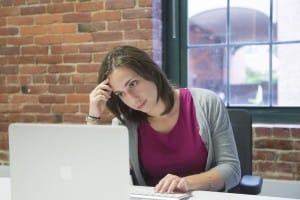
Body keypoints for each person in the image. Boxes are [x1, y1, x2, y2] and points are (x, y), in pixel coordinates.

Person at [87, 45, 241, 193]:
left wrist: (186, 183)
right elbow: (101, 175)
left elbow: (231, 170)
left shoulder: (207, 103)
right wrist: (94, 116)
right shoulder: (124, 124)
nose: (132, 98)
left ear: (151, 72)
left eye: (133, 84)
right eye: (120, 93)